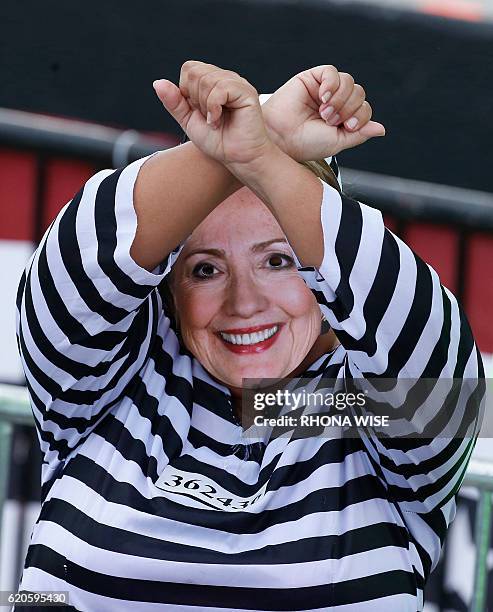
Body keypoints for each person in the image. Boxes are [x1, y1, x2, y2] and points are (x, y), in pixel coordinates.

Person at [15, 61, 483, 611]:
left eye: (279, 260)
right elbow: (75, 261)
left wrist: (264, 157)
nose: (244, 302)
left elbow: (427, 354)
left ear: (323, 274)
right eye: (206, 269)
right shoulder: (108, 386)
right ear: (167, 283)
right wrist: (261, 135)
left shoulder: (360, 413)